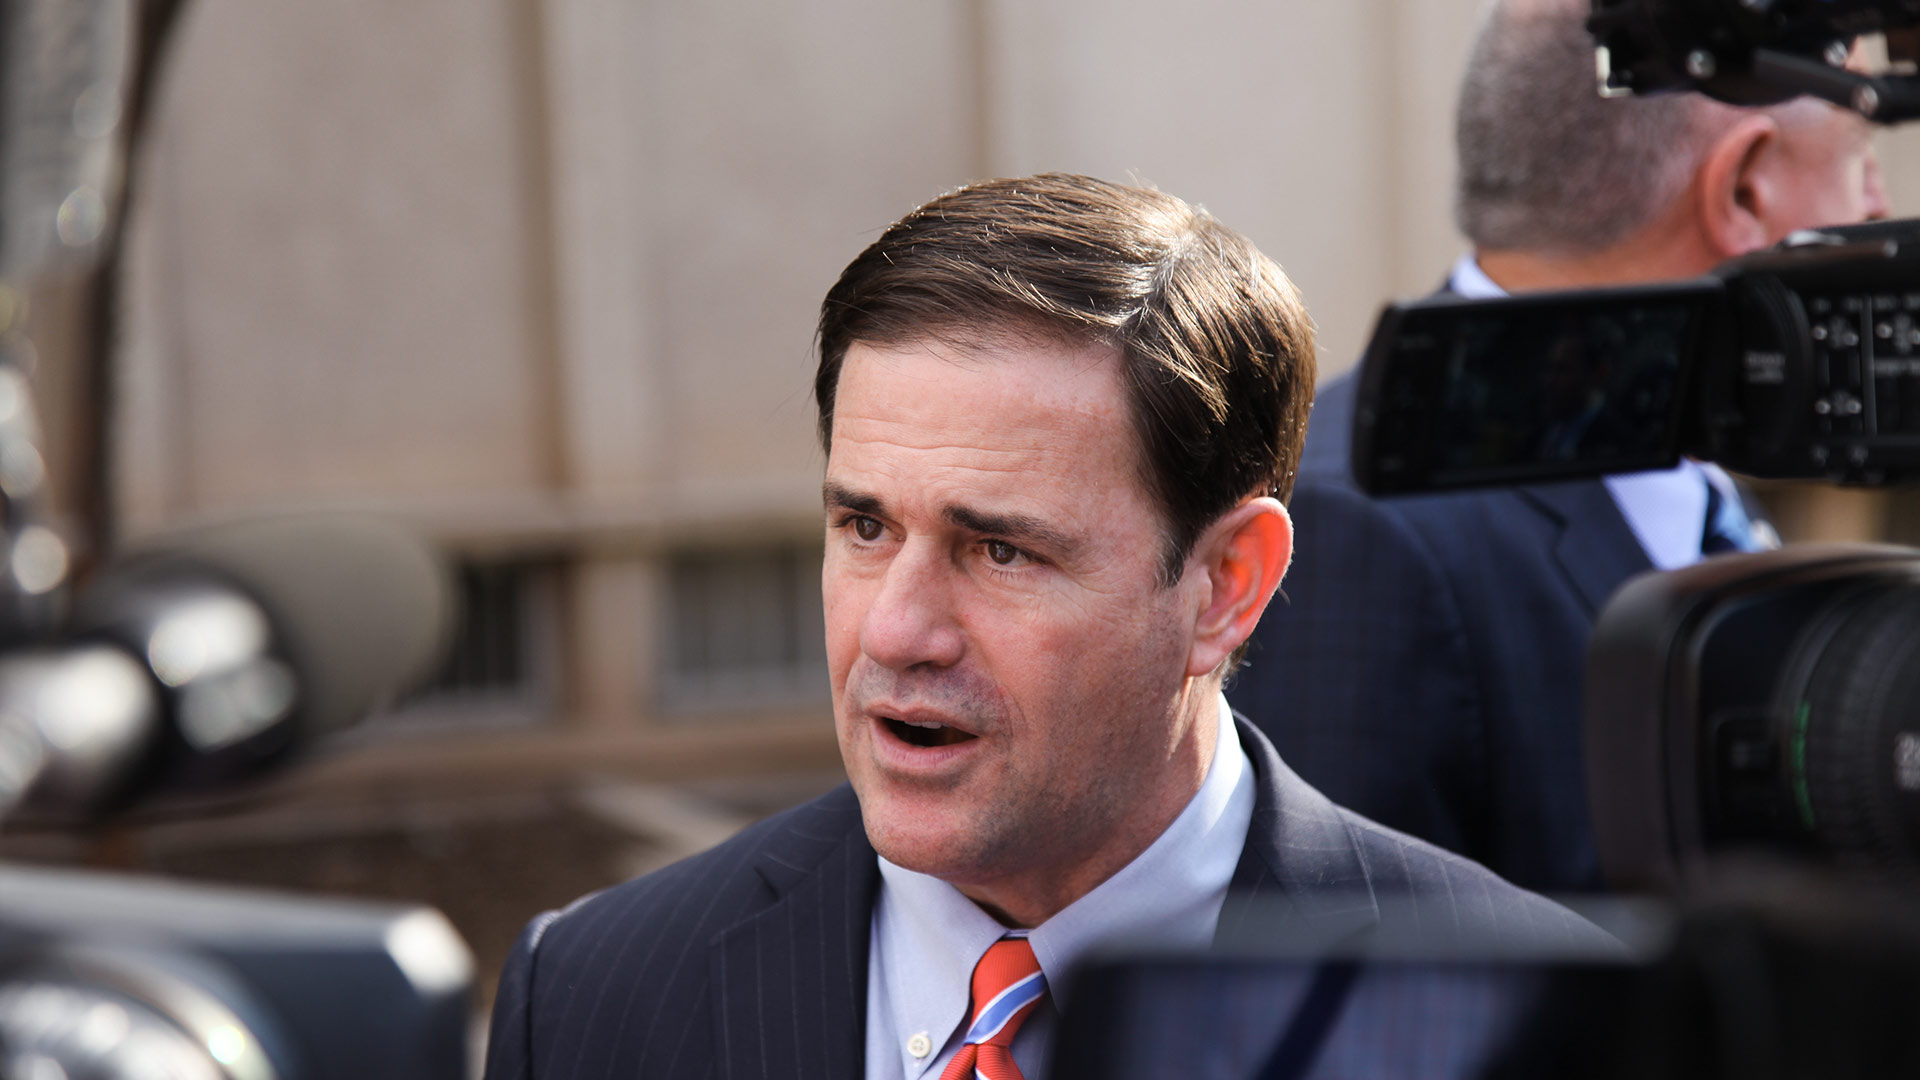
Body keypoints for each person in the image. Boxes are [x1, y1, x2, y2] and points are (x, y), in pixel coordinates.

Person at [481, 174, 1609, 1080]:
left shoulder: (1544, 1023)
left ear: (1227, 584)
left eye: (1001, 550)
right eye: (865, 527)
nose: (897, 633)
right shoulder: (592, 991)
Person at [1227, 0, 1890, 894]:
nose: (1880, 207)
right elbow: (1359, 988)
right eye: (1864, 165)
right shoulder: (1365, 528)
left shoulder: (1686, 461)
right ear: (1744, 189)